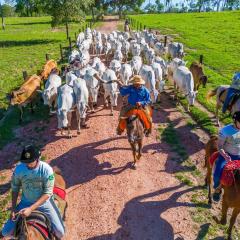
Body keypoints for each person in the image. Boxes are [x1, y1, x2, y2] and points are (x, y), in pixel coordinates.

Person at [0, 145, 65, 239]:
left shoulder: (47, 170)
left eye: (30, 162)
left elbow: (47, 193)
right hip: (25, 203)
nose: (28, 164)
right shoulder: (19, 169)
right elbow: (15, 189)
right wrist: (13, 208)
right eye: (26, 162)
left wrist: (31, 209)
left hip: (45, 204)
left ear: (37, 158)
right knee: (5, 232)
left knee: (60, 232)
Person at [213, 111, 240, 202]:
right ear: (235, 121)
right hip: (226, 156)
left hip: (239, 155)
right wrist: (225, 156)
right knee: (217, 174)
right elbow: (219, 146)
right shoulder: (225, 130)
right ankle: (218, 190)